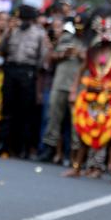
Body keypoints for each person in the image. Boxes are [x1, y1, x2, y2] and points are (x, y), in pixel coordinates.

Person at [64, 9, 111, 189]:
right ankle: (76, 168)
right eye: (100, 29)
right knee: (84, 134)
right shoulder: (91, 51)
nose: (104, 33)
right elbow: (80, 71)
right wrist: (74, 91)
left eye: (107, 29)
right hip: (91, 97)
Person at [0, 4, 49, 158]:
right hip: (11, 70)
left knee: (25, 111)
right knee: (7, 109)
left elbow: (41, 59)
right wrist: (8, 32)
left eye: (26, 19)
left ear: (32, 20)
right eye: (21, 18)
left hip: (28, 73)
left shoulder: (39, 34)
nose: (23, 21)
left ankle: (22, 148)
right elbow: (2, 49)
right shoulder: (12, 31)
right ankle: (3, 144)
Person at [39, 19, 84, 164]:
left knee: (76, 123)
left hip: (78, 87)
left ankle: (74, 156)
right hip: (60, 84)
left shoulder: (88, 42)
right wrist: (64, 54)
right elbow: (52, 56)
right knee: (53, 118)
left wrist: (80, 54)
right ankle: (49, 150)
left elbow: (93, 62)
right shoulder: (66, 38)